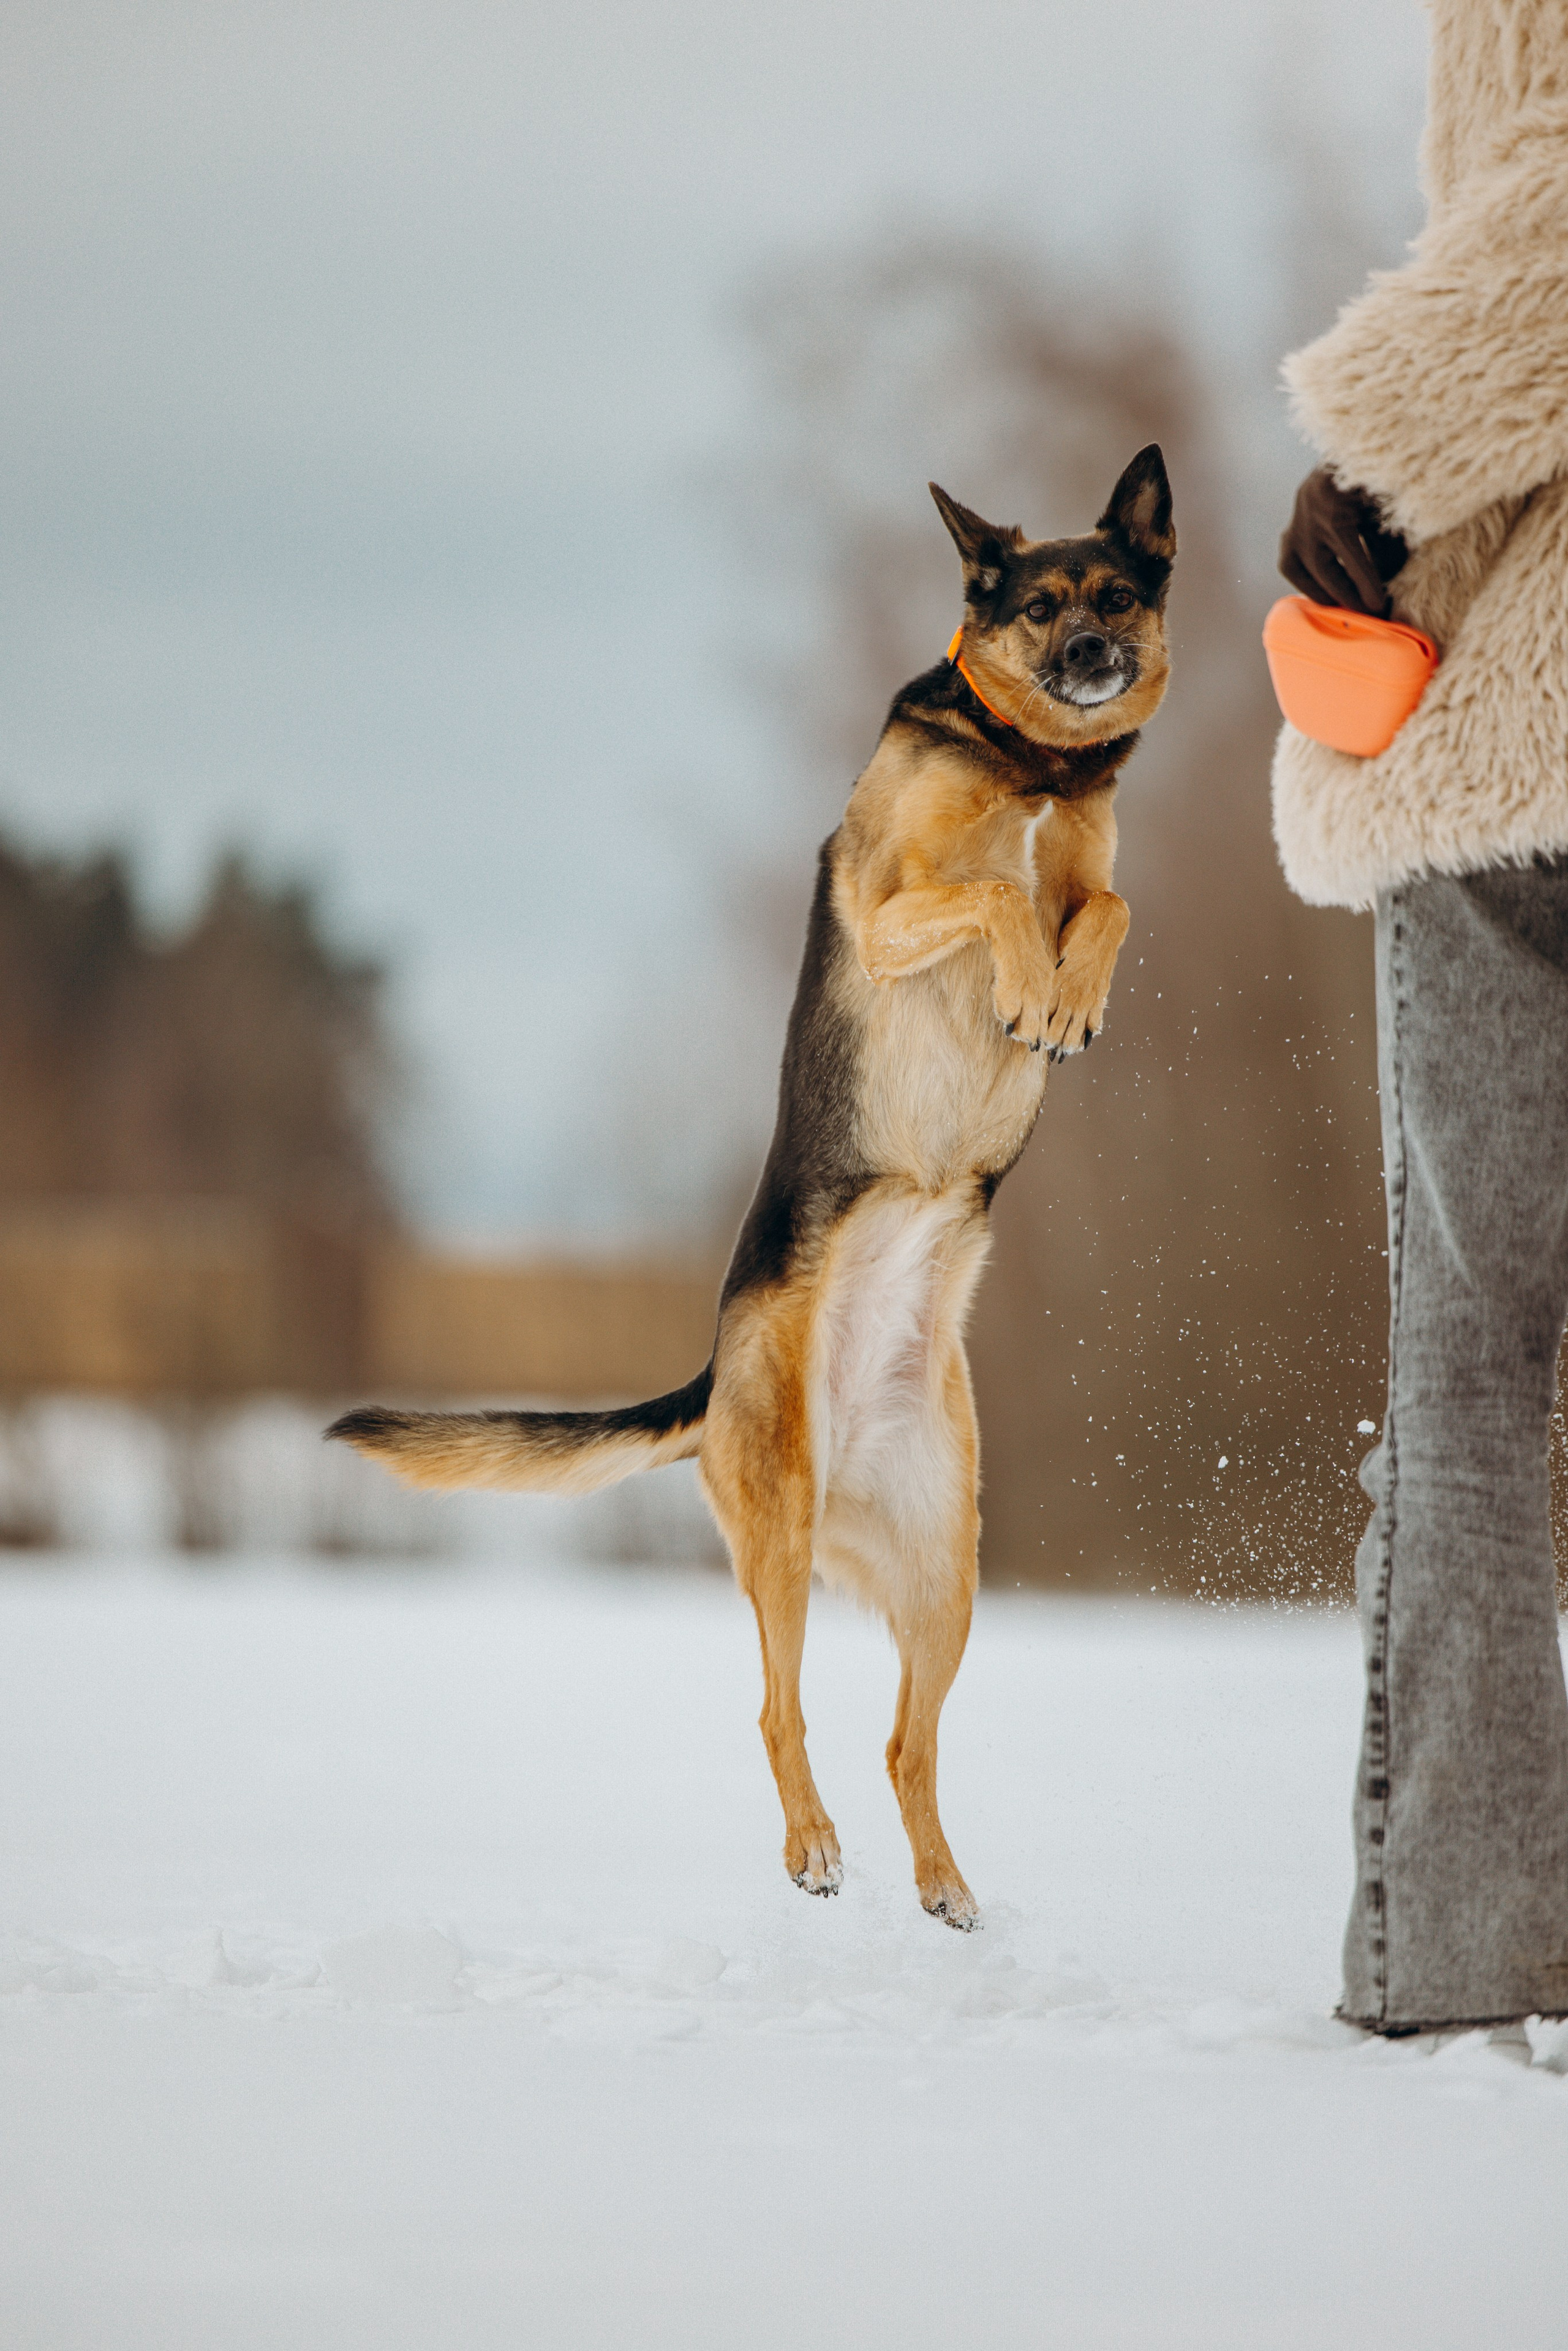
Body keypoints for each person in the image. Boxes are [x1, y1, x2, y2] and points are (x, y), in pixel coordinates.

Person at [1273, 0, 1568, 2032]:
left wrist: (1371, 462)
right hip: (1491, 724)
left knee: (1469, 1374)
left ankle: (1454, 1965)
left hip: (1510, 747)